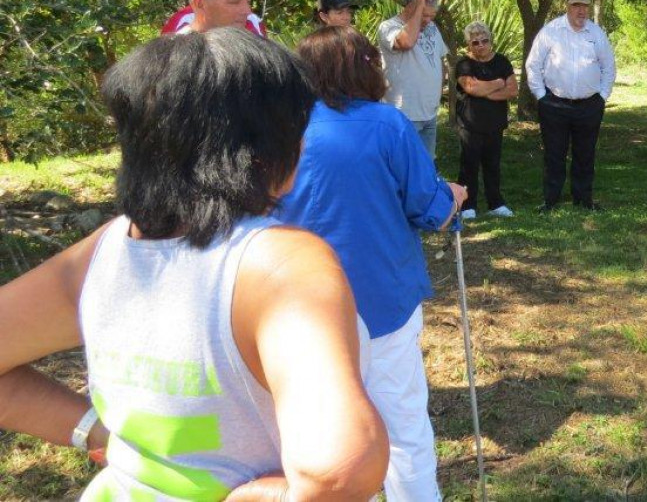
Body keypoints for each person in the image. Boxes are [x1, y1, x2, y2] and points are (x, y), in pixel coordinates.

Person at [0, 28, 388, 499]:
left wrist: (94, 433)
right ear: (261, 149)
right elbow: (340, 468)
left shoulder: (102, 251)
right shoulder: (280, 264)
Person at [275, 26, 467, 501]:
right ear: (362, 67)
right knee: (403, 427)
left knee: (316, 433)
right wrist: (454, 197)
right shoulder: (387, 124)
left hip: (297, 310)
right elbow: (430, 207)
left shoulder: (278, 134)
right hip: (381, 300)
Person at [525, 0, 617, 212]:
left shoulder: (596, 34)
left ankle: (583, 199)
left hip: (589, 105)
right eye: (576, 6)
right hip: (554, 104)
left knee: (585, 154)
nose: (581, 11)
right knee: (554, 154)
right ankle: (551, 200)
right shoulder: (551, 31)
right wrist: (541, 97)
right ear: (567, 6)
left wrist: (602, 97)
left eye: (585, 6)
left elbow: (609, 67)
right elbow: (533, 65)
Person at [454, 21, 518, 219]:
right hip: (470, 124)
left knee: (493, 165)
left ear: (491, 41)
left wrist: (487, 92)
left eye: (484, 40)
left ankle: (495, 203)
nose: (481, 45)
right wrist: (498, 83)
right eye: (475, 42)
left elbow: (513, 89)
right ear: (468, 45)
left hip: (494, 124)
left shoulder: (502, 61)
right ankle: (467, 205)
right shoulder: (464, 64)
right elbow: (472, 88)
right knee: (469, 165)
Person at [378, 0, 449, 159]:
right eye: (424, 15)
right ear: (411, 6)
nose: (428, 21)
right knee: (404, 168)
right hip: (404, 114)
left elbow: (440, 59)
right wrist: (419, 8)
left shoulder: (432, 27)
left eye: (431, 16)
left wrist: (438, 91)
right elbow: (406, 42)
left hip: (429, 112)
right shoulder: (388, 26)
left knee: (426, 167)